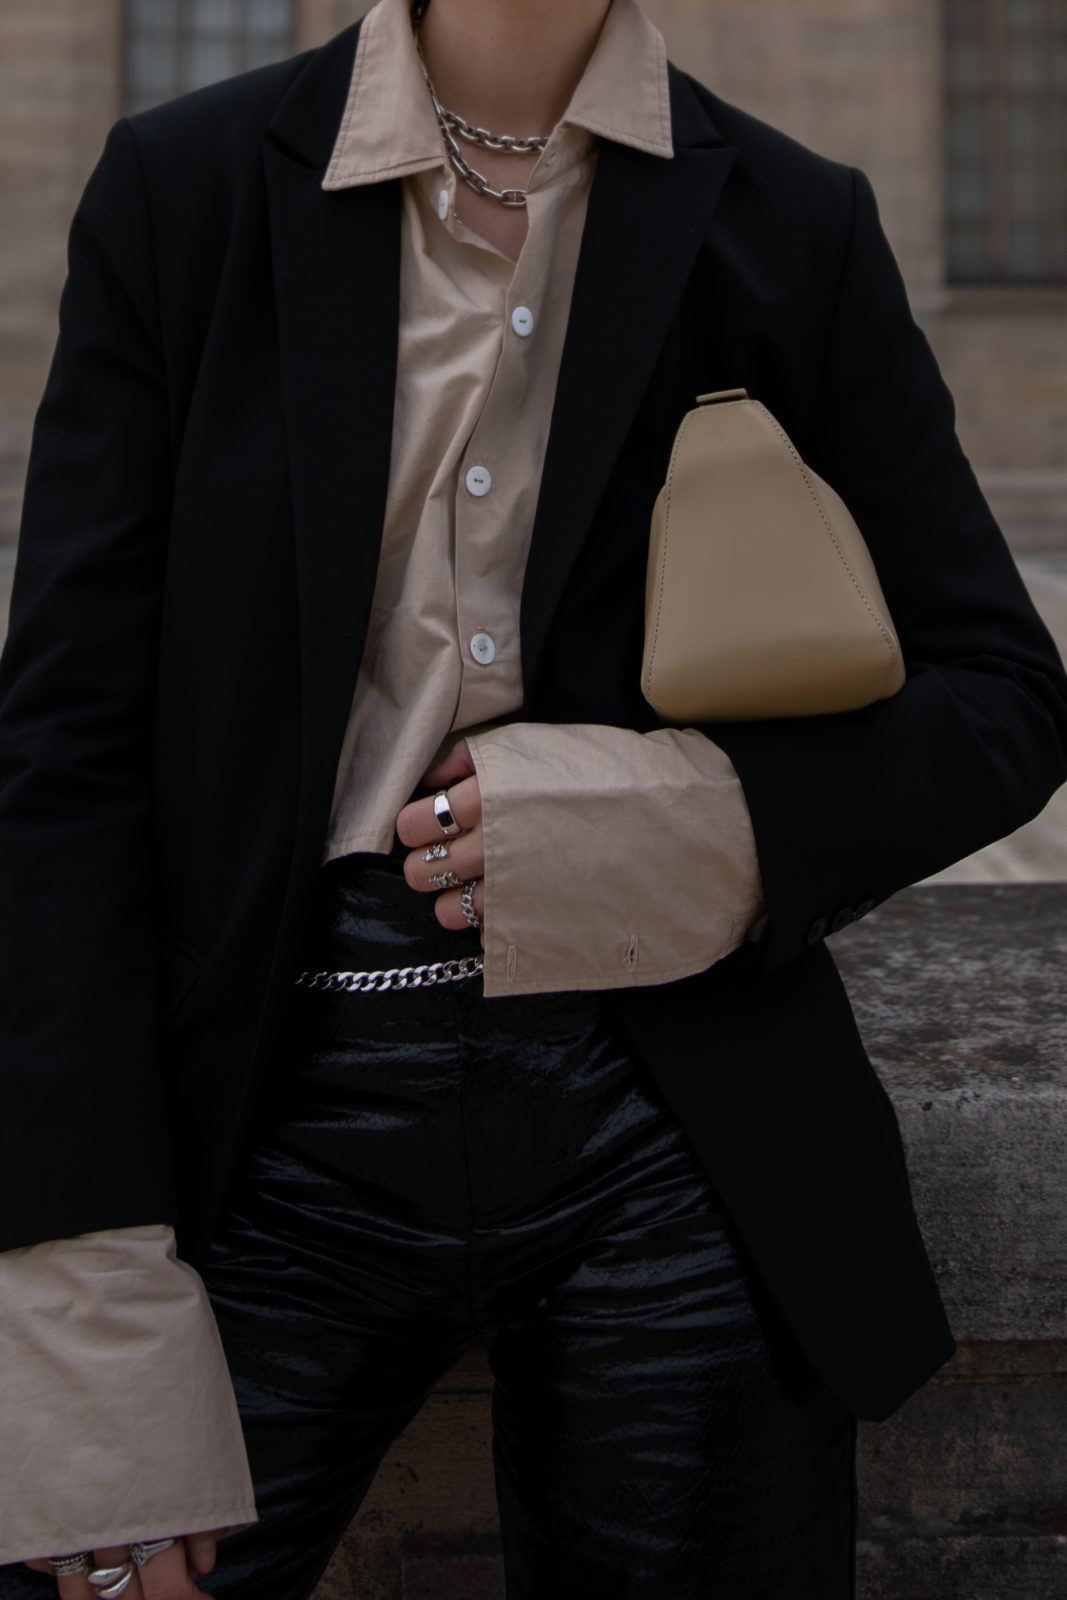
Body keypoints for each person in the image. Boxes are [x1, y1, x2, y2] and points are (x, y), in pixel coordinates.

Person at [1, 0, 1065, 1595]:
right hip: (266, 1111)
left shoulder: (795, 221)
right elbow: (61, 761)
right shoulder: (185, 191)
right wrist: (83, 1281)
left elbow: (1005, 698)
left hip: (670, 1114)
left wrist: (679, 813)